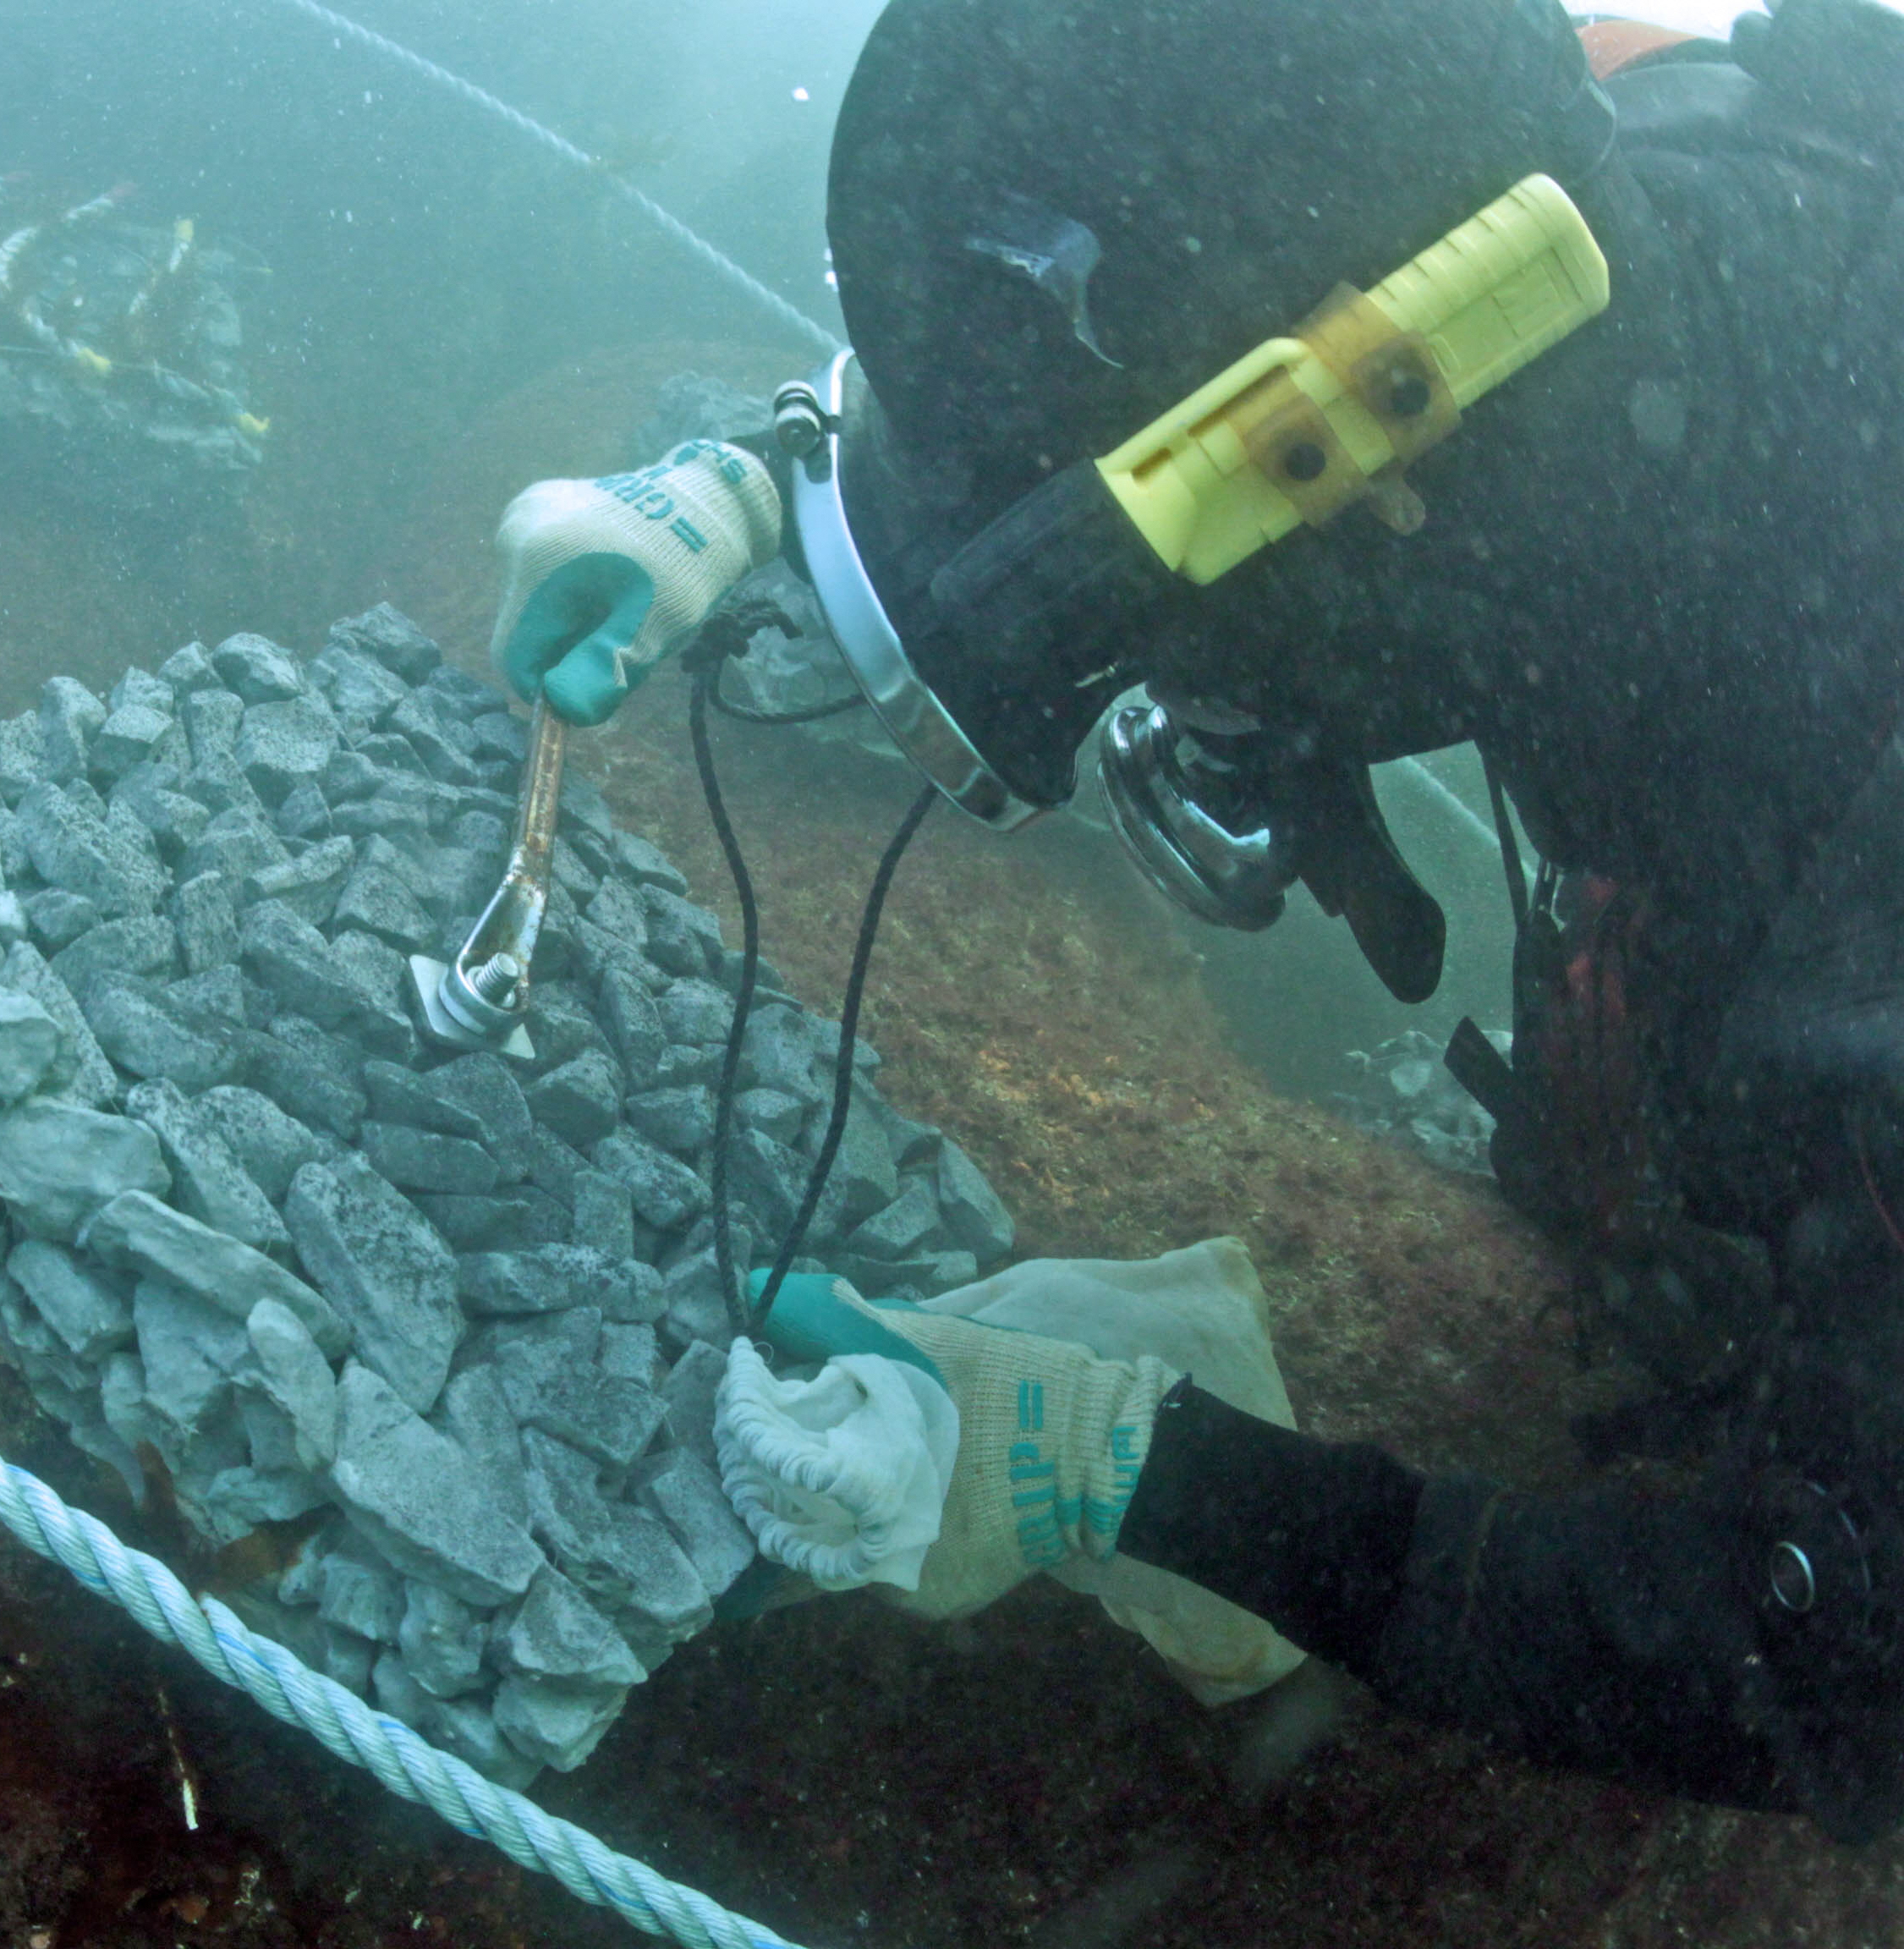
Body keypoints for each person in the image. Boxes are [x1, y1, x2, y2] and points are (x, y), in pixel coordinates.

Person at [487, 0, 1904, 1840]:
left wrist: (1139, 1473)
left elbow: (1844, 1687)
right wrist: (767, 491)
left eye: (1199, 642)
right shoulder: (1650, 240)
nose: (1183, 701)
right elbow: (1221, 305)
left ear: (1400, 503)